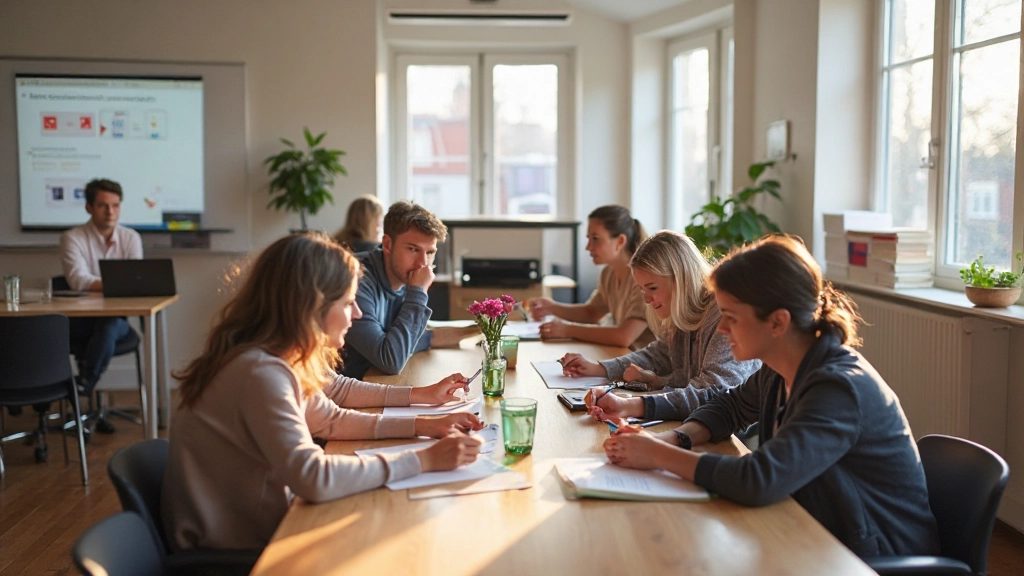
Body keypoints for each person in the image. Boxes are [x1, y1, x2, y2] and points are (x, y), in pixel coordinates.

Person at [601, 235, 940, 559]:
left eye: (731, 318)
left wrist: (658, 454)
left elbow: (760, 479)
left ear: (778, 322)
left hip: (869, 555)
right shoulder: (781, 367)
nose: (721, 328)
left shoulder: (837, 387)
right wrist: (675, 439)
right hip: (821, 535)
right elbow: (729, 406)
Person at [162, 232, 484, 553]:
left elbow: (330, 420)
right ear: (312, 306)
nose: (357, 314)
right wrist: (423, 459)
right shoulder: (261, 372)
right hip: (235, 555)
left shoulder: (277, 355)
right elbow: (312, 476)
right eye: (347, 302)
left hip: (257, 532)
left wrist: (423, 424)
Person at [562, 230, 759, 422]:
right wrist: (599, 369)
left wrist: (633, 405)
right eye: (642, 290)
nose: (647, 299)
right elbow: (659, 354)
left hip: (729, 435)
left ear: (682, 279)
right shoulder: (684, 312)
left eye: (652, 288)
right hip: (696, 422)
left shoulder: (724, 315)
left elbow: (715, 392)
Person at [340, 201, 477, 379]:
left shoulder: (404, 275)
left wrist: (480, 329)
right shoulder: (356, 280)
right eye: (413, 249)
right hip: (341, 395)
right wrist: (418, 291)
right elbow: (391, 359)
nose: (422, 263)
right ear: (388, 245)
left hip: (375, 384)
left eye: (429, 253)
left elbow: (420, 338)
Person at [59, 178, 143, 433]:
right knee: (102, 326)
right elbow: (77, 281)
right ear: (88, 207)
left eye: (115, 205)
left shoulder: (130, 237)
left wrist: (103, 284)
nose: (110, 212)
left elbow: (136, 281)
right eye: (103, 206)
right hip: (81, 322)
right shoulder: (72, 238)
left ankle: (84, 384)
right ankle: (85, 386)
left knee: (109, 325)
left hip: (117, 321)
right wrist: (117, 283)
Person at [528, 205, 654, 350]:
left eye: (595, 239)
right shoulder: (609, 273)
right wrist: (551, 307)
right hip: (623, 358)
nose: (588, 247)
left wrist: (567, 330)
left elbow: (624, 336)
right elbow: (592, 312)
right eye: (589, 239)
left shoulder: (643, 278)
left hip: (646, 367)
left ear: (620, 241)